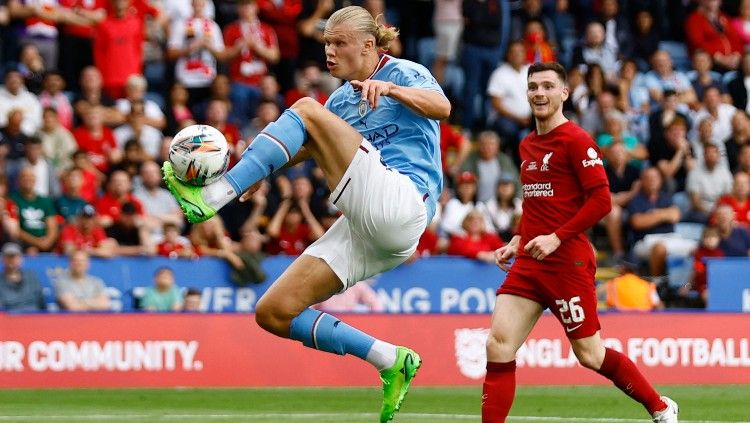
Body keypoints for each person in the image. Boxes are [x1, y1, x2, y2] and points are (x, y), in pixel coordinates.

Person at [162, 6, 450, 422]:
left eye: (339, 43)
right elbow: (310, 143)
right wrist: (262, 170)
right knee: (275, 311)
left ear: (368, 45)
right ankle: (391, 359)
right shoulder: (339, 100)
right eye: (326, 43)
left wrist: (391, 90)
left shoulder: (403, 72)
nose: (329, 52)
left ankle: (214, 195)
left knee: (305, 108)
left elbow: (442, 107)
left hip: (405, 202)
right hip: (371, 229)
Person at [481, 62, 678, 423]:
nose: (539, 93)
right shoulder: (527, 144)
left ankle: (660, 406)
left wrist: (556, 238)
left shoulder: (576, 140)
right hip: (529, 260)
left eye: (547, 86)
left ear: (563, 93)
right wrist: (517, 238)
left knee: (590, 354)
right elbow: (537, 203)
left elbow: (602, 200)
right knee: (498, 344)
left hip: (567, 261)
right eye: (533, 87)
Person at [0, 242, 45, 312]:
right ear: (2, 259)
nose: (11, 260)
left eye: (14, 256)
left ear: (21, 259)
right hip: (9, 318)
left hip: (33, 316)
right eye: (8, 257)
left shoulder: (31, 276)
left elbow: (41, 301)